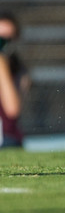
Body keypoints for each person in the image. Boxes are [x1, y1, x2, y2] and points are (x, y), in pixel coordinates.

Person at [0, 12, 28, 149]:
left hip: (7, 139)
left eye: (7, 39)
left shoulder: (19, 71)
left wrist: (2, 65)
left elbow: (12, 110)